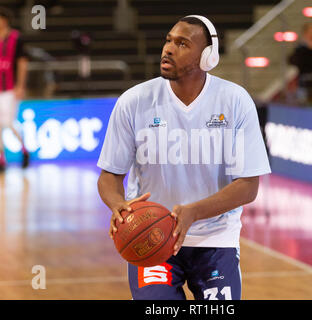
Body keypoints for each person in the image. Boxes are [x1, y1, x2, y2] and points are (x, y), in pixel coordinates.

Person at [97, 15, 271, 300]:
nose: (168, 49)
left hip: (216, 237)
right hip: (151, 238)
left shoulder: (235, 101)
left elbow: (248, 186)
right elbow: (110, 175)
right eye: (168, 40)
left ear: (206, 57)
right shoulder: (134, 101)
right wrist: (119, 205)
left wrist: (193, 212)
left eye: (182, 44)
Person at [0, 7, 29, 171]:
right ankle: (2, 158)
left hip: (10, 88)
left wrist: (20, 85)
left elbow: (22, 63)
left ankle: (24, 149)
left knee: (8, 122)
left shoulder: (16, 39)